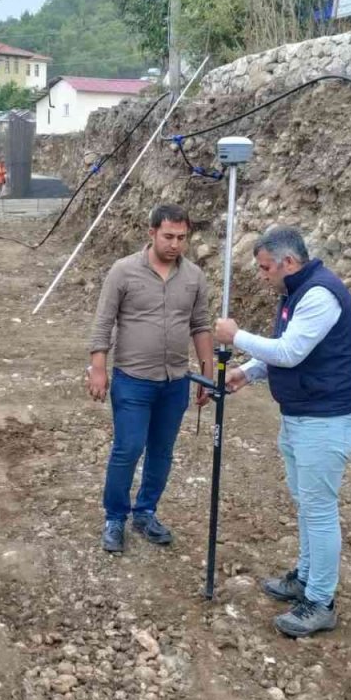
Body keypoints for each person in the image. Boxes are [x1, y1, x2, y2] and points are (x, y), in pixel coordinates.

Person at [213, 226, 351, 639]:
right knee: (306, 504)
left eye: (265, 268)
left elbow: (290, 352)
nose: (262, 275)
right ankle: (306, 577)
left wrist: (235, 337)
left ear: (288, 263)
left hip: (324, 420)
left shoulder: (318, 295)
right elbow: (286, 350)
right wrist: (246, 371)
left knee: (318, 509)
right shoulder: (295, 294)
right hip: (301, 416)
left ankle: (320, 601)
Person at [87, 204, 214, 554]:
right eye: (168, 236)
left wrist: (207, 373)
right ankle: (115, 517)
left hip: (176, 382)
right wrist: (98, 367)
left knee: (162, 451)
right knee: (128, 449)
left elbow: (200, 324)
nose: (175, 244)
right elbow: (103, 322)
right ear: (152, 233)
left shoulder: (194, 278)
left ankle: (145, 512)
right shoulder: (123, 272)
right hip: (133, 379)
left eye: (182, 238)